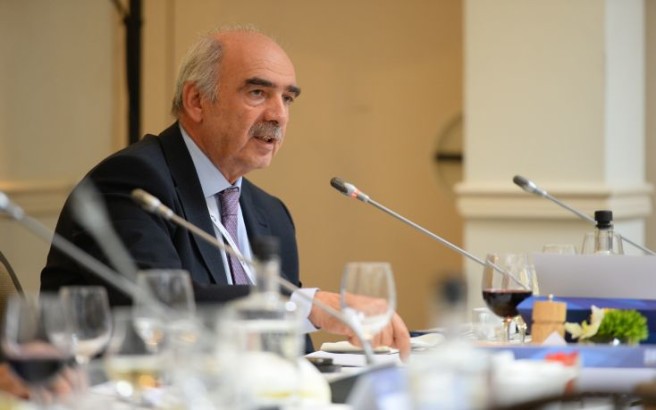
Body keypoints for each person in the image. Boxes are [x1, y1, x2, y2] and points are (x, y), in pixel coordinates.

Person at [40, 26, 410, 359]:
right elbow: (158, 308)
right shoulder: (133, 182)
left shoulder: (271, 215)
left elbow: (289, 351)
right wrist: (309, 306)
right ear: (196, 100)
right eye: (258, 92)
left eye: (287, 99)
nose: (278, 115)